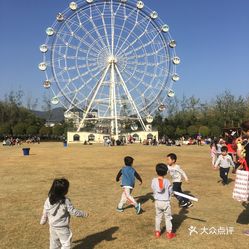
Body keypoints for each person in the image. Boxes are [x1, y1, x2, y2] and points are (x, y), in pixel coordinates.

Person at [40, 178, 88, 249]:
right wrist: (83, 214)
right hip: (62, 228)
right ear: (64, 191)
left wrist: (43, 220)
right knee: (66, 244)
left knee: (54, 244)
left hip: (52, 226)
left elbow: (45, 211)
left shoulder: (48, 199)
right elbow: (73, 211)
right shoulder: (65, 201)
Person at [151, 163, 176, 239]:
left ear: (156, 171)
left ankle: (157, 232)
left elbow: (153, 188)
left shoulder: (154, 180)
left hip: (157, 202)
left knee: (158, 217)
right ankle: (169, 233)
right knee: (167, 217)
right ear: (165, 172)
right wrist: (172, 193)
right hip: (165, 202)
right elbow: (171, 191)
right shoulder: (167, 181)